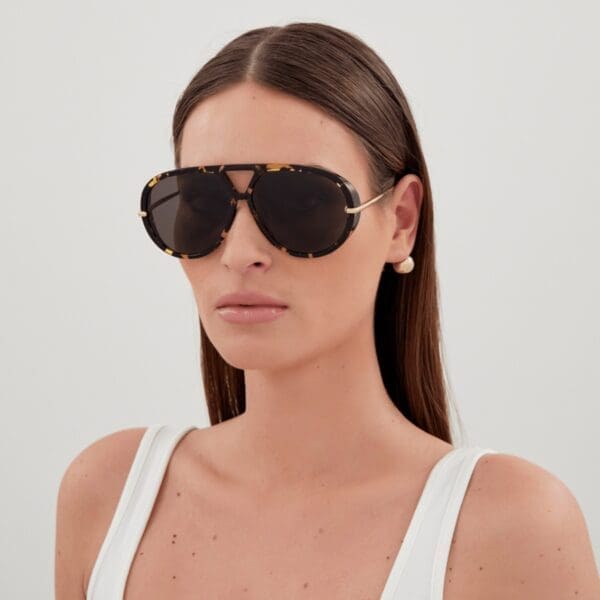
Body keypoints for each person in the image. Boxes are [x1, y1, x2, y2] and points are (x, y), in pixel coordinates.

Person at [55, 22, 600, 599]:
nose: (239, 253)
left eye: (302, 201)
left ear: (402, 221)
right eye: (200, 203)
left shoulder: (512, 528)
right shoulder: (107, 496)